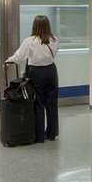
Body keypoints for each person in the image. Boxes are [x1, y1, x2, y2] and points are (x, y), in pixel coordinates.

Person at [5, 15, 59, 143]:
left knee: (38, 103)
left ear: (34, 26)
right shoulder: (54, 39)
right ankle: (52, 133)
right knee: (52, 104)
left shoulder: (30, 41)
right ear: (48, 25)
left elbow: (19, 56)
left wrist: (8, 60)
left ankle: (39, 136)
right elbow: (54, 54)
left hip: (36, 73)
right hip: (51, 71)